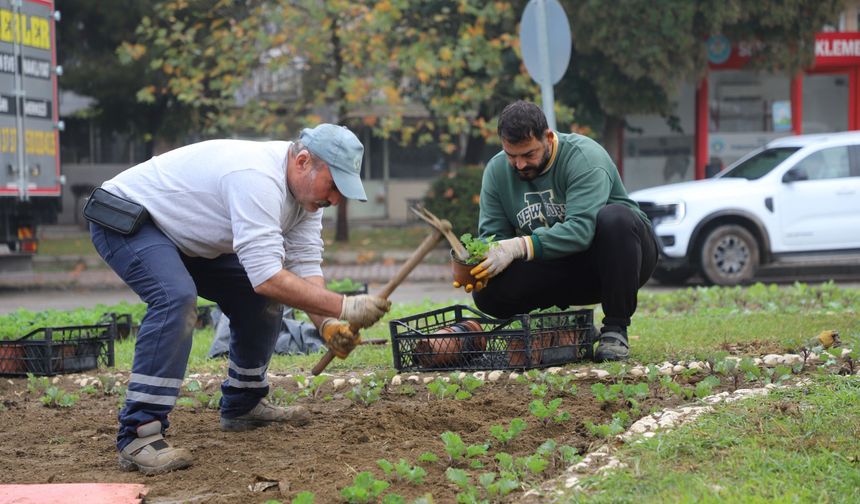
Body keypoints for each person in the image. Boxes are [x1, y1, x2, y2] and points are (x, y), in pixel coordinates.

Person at [87, 124, 391, 475]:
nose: (335, 200)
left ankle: (244, 403)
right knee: (175, 299)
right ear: (303, 162)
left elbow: (304, 264)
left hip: (182, 234)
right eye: (334, 186)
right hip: (127, 216)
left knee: (255, 297)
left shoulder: (306, 199)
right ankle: (139, 433)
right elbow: (267, 277)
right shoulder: (256, 178)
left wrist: (328, 324)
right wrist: (345, 306)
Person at [461, 101, 658, 362]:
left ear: (549, 137)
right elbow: (493, 237)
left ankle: (615, 330)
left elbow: (580, 231)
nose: (519, 164)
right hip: (561, 265)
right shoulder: (497, 171)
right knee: (488, 292)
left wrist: (518, 246)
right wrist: (481, 264)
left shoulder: (584, 157)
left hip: (619, 260)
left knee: (615, 218)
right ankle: (566, 326)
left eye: (529, 154)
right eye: (511, 155)